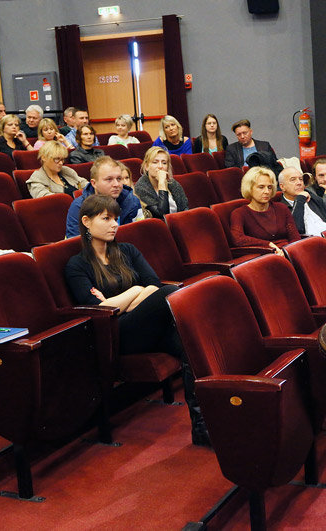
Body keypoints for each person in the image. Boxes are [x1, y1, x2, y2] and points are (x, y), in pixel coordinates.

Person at [64, 194, 208, 446]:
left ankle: (202, 426)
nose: (114, 224)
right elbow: (99, 310)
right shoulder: (77, 264)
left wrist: (122, 301)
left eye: (116, 218)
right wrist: (135, 292)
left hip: (145, 325)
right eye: (106, 218)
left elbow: (152, 284)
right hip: (116, 334)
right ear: (86, 221)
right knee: (170, 293)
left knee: (192, 344)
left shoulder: (127, 250)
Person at [65, 156, 143, 238]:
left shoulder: (132, 201)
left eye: (119, 179)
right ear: (94, 183)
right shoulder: (79, 207)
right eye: (109, 179)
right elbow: (76, 244)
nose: (116, 184)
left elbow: (139, 234)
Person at [230, 166, 300, 255]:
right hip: (264, 256)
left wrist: (286, 251)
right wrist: (268, 244)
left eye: (270, 187)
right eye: (261, 187)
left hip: (289, 252)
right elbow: (238, 239)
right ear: (249, 188)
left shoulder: (282, 208)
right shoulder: (239, 213)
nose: (267, 191)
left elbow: (295, 237)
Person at [278, 166, 326, 236]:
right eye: (293, 180)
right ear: (282, 187)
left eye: (301, 179)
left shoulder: (313, 198)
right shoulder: (281, 209)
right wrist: (299, 200)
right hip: (312, 243)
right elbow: (297, 231)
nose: (299, 183)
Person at [134, 146, 188, 219]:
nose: (160, 166)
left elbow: (185, 208)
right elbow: (162, 215)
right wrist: (161, 183)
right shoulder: (141, 187)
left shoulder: (172, 183)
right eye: (155, 162)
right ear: (146, 166)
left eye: (164, 163)